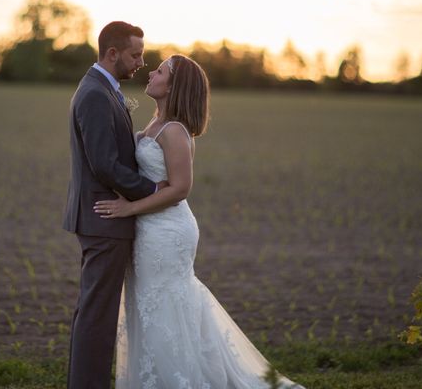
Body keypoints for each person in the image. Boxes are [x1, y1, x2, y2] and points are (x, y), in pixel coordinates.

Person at [94, 55, 306, 388]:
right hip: (151, 229)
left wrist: (129, 210)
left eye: (160, 70)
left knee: (163, 308)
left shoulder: (175, 130)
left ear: (174, 86)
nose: (152, 71)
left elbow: (180, 189)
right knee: (153, 306)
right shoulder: (153, 124)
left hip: (167, 231)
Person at [63, 21, 167, 389]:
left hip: (102, 220)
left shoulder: (104, 90)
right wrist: (154, 189)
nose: (142, 61)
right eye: (136, 54)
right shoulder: (95, 94)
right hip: (104, 219)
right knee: (98, 316)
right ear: (112, 53)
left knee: (95, 313)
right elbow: (104, 164)